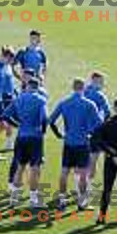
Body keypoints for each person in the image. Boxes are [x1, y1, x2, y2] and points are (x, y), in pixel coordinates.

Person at [49, 78, 102, 211]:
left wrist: (59, 134)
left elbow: (51, 121)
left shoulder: (64, 103)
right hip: (83, 143)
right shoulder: (89, 104)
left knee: (64, 172)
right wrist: (90, 134)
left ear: (72, 87)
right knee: (83, 174)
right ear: (83, 88)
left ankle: (62, 200)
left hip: (68, 143)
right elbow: (98, 125)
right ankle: (82, 202)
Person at [3, 77, 48, 209]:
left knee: (20, 167)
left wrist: (18, 124)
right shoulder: (41, 100)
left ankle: (14, 198)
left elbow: (5, 116)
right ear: (38, 87)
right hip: (35, 138)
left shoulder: (18, 99)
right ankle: (34, 199)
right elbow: (44, 119)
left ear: (27, 86)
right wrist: (42, 131)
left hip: (21, 136)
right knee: (34, 168)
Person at [84, 71, 111, 189]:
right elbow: (108, 112)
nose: (103, 84)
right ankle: (87, 186)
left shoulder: (83, 91)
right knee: (93, 159)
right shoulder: (99, 95)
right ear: (95, 81)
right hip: (96, 131)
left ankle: (79, 184)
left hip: (81, 130)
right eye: (101, 82)